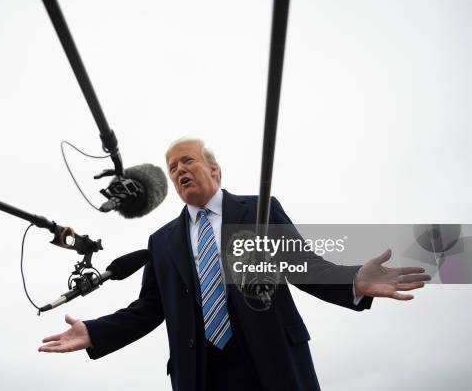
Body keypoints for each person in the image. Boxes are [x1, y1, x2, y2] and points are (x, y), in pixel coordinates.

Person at [38, 138, 430, 390]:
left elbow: (304, 265)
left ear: (214, 170)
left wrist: (354, 281)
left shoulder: (258, 210)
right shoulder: (162, 241)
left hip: (270, 359)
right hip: (201, 372)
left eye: (186, 161)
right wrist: (97, 331)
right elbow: (150, 309)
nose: (179, 171)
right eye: (173, 169)